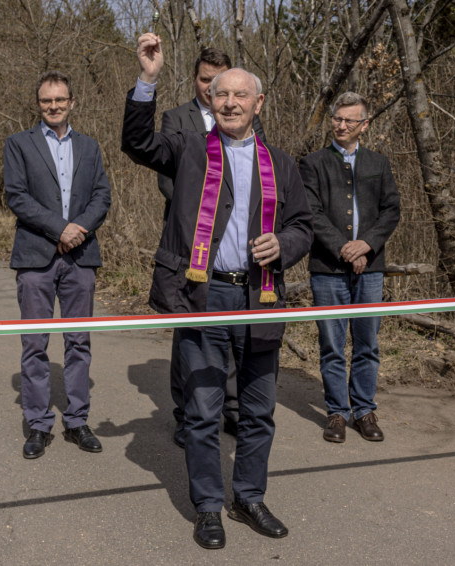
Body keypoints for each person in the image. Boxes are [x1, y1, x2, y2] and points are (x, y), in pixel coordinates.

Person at [122, 34, 312, 550]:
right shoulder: (188, 149)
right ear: (209, 98)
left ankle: (249, 497)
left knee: (258, 411)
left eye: (239, 95)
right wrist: (147, 80)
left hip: (260, 299)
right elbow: (137, 143)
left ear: (257, 103)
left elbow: (302, 225)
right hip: (203, 297)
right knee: (204, 413)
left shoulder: (282, 164)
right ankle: (208, 506)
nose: (229, 102)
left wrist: (285, 244)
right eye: (220, 94)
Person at [158, 48, 268, 448]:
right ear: (197, 80)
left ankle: (232, 408)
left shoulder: (247, 119)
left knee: (236, 333)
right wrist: (200, 209)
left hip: (238, 246)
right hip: (191, 244)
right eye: (207, 80)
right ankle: (186, 413)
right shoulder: (177, 119)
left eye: (220, 82)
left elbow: (260, 178)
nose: (215, 91)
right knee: (190, 334)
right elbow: (167, 177)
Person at [4, 70, 111, 460]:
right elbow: (17, 196)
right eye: (47, 100)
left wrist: (78, 229)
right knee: (35, 343)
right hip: (36, 258)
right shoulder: (19, 144)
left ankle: (77, 420)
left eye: (60, 100)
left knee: (79, 341)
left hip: (81, 257)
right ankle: (38, 424)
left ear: (72, 102)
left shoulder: (89, 147)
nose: (54, 106)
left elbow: (101, 195)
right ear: (39, 104)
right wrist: (59, 229)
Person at [299, 92, 401, 443]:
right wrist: (345, 248)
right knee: (331, 344)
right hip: (327, 267)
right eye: (337, 119)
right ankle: (337, 413)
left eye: (349, 120)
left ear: (364, 125)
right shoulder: (312, 163)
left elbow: (391, 210)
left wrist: (366, 244)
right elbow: (310, 212)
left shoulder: (378, 163)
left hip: (370, 267)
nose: (341, 125)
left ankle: (364, 411)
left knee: (367, 343)